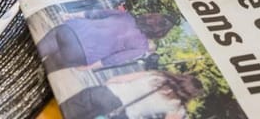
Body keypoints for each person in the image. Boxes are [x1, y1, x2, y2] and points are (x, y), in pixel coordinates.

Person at [37, 8, 176, 73]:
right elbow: (114, 59)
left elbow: (94, 13)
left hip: (70, 30)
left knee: (34, 54)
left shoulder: (125, 16)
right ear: (159, 34)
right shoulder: (141, 47)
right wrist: (88, 67)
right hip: (81, 54)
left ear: (150, 16)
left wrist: (69, 15)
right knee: (44, 71)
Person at [59, 69, 201, 119]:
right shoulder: (177, 108)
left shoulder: (157, 75)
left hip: (104, 94)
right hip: (121, 115)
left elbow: (118, 79)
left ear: (183, 77)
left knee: (62, 112)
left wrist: (104, 90)